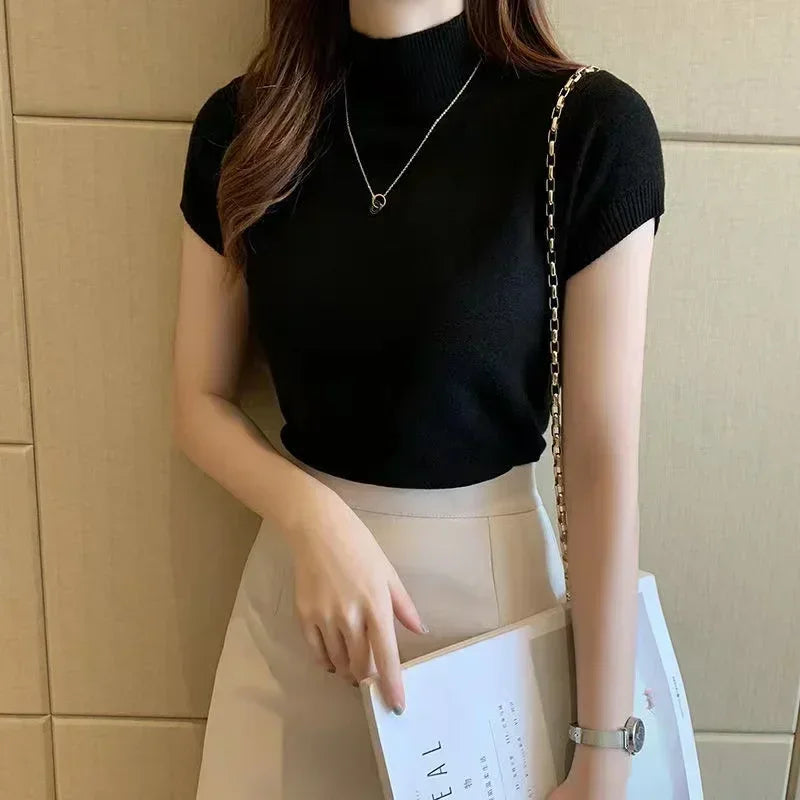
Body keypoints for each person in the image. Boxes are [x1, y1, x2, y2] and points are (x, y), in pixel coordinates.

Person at [172, 1, 665, 798]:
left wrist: (605, 751)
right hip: (296, 618)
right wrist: (312, 515)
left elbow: (601, 455)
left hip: (488, 641)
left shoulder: (587, 128)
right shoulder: (246, 128)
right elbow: (197, 401)